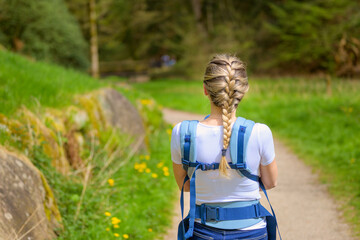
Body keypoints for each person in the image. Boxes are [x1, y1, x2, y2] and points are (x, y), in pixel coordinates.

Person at [171, 54, 278, 240]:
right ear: (243, 90)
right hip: (252, 231)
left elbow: (184, 185)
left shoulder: (182, 132)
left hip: (203, 231)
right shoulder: (260, 132)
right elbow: (270, 182)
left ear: (205, 90)